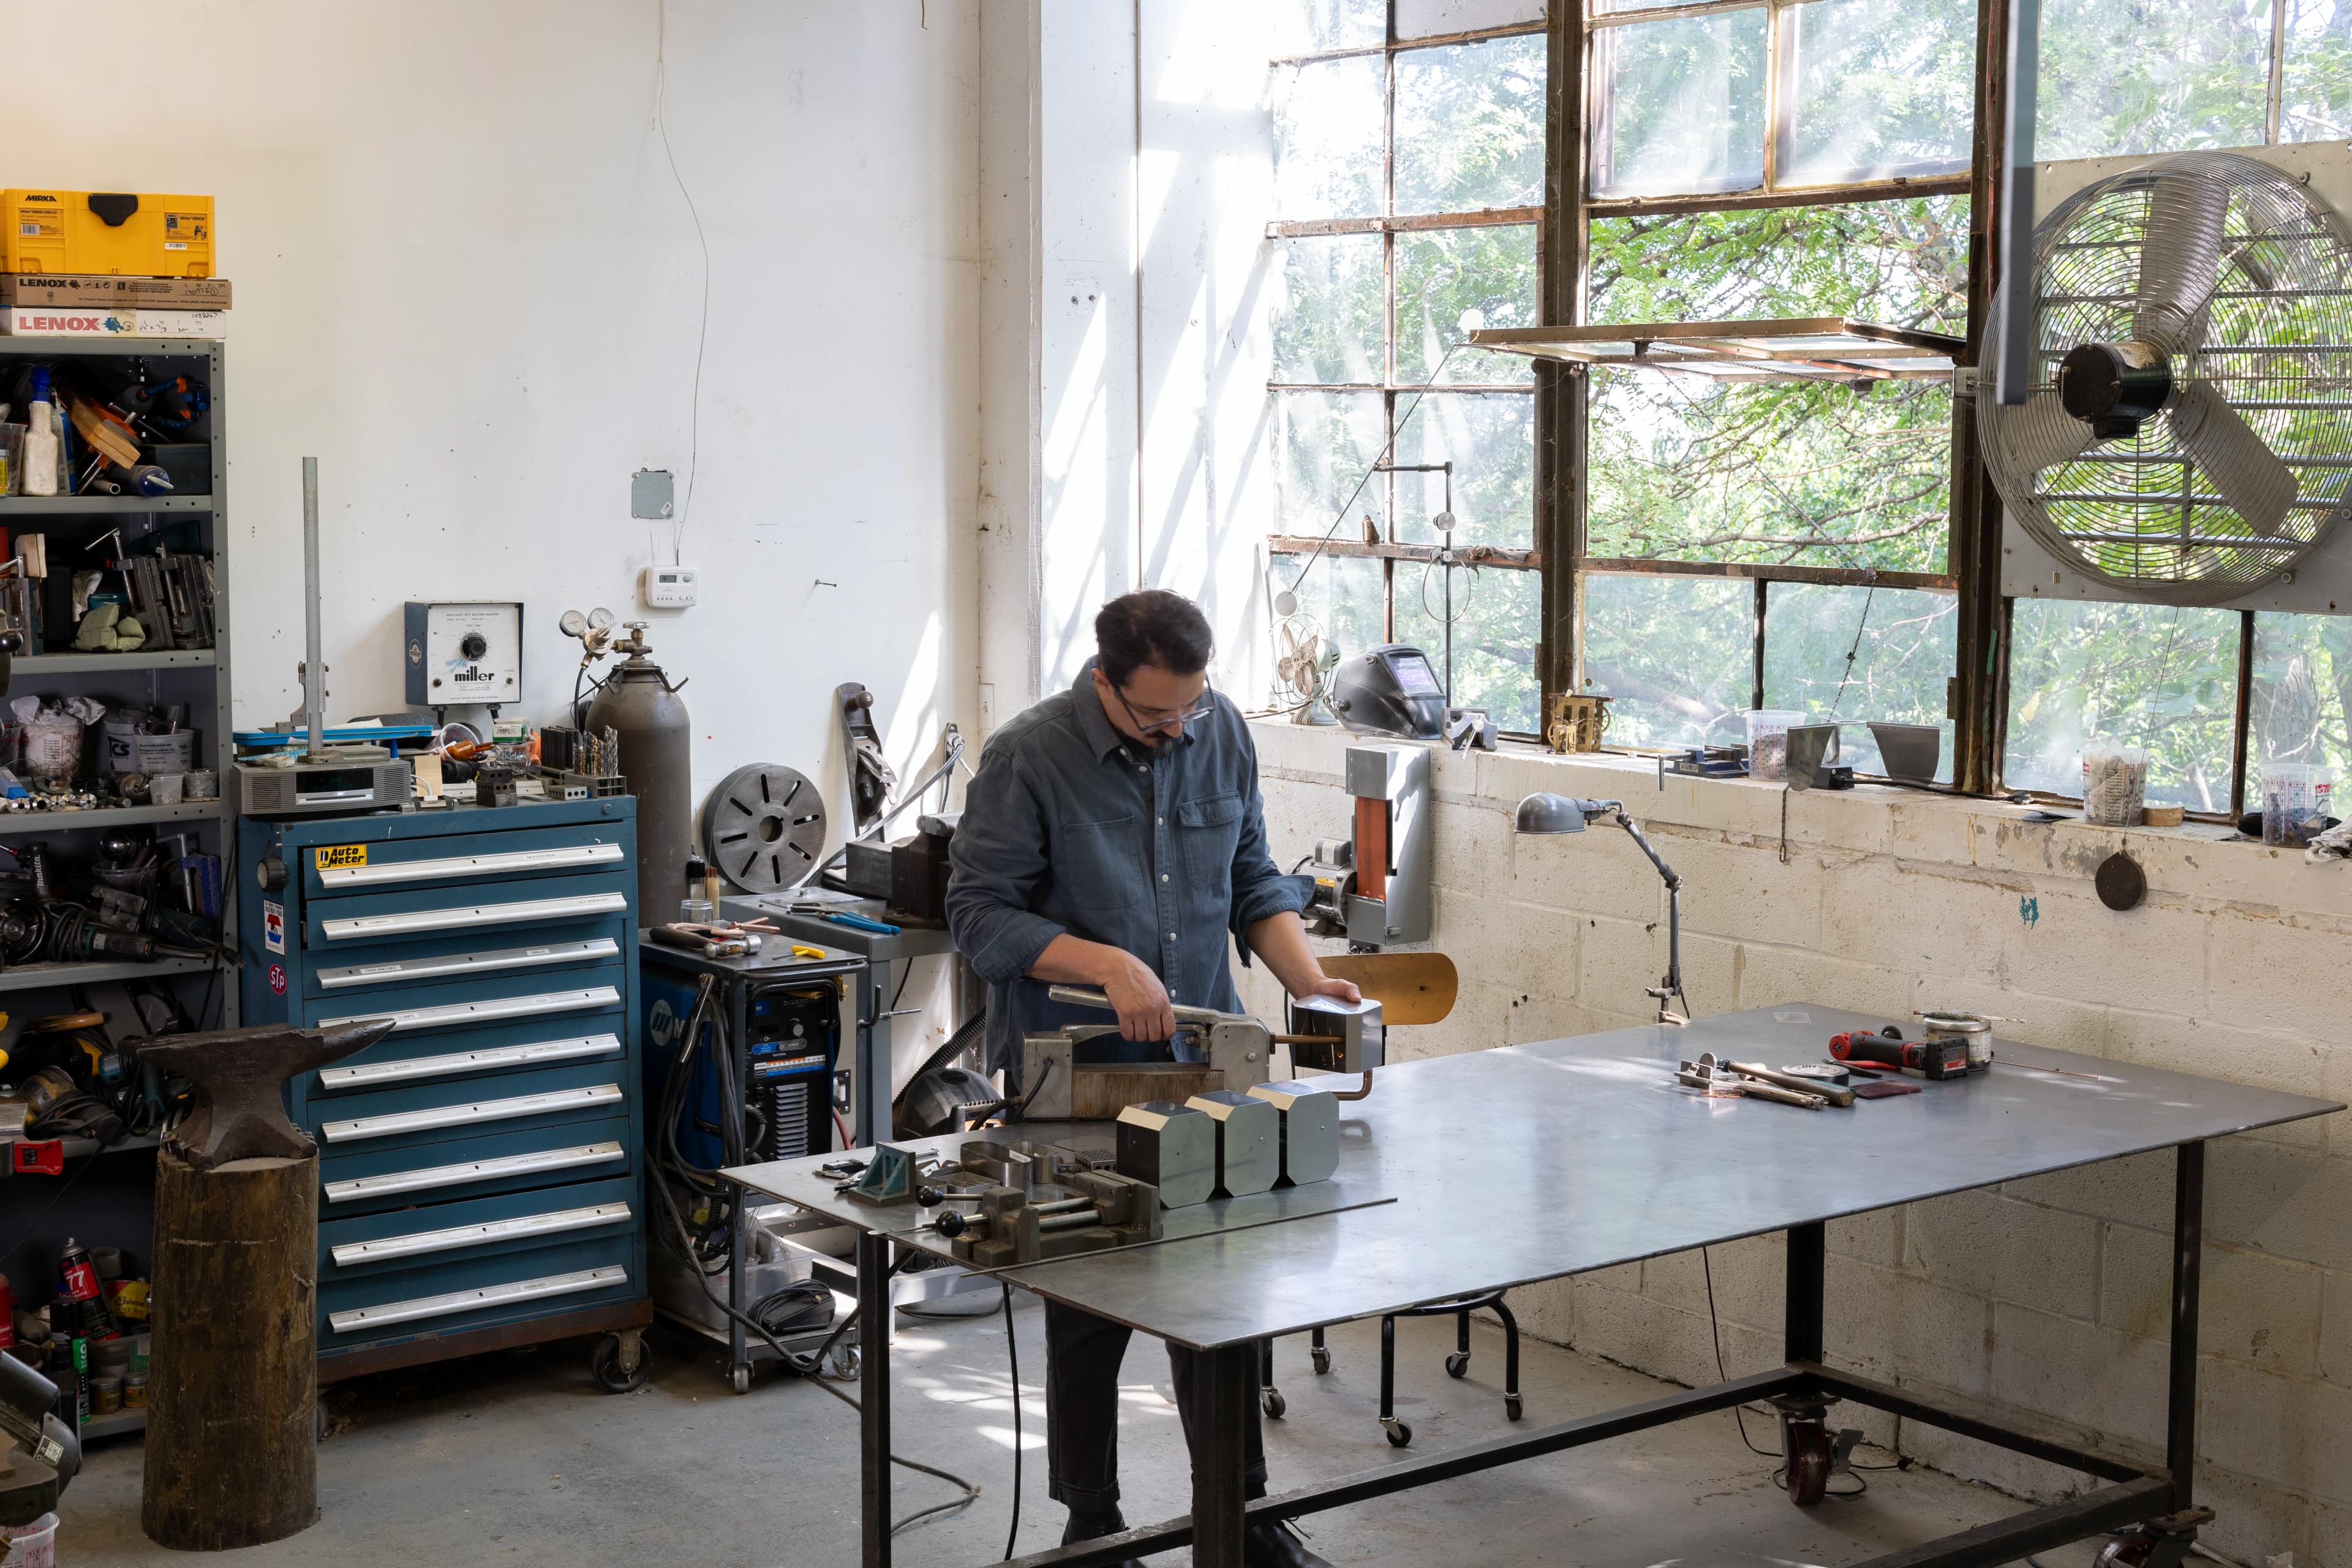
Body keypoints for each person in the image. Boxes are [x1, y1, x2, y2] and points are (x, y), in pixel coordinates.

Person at [946, 588, 1353, 1568]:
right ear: (1105, 685)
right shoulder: (1029, 756)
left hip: (1204, 1064)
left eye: (1191, 707)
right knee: (1092, 1303)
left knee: (1225, 1299)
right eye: (1156, 714)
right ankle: (1093, 1527)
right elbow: (979, 914)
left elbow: (1254, 878)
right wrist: (1105, 963)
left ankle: (1245, 1518)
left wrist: (1309, 982)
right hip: (1077, 1078)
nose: (1178, 730)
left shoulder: (1219, 734)